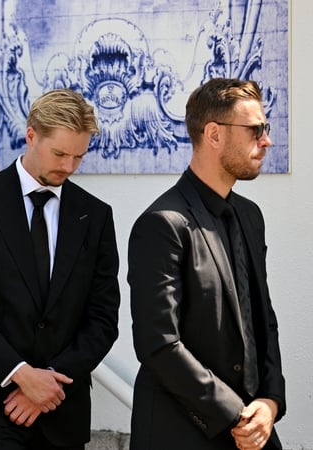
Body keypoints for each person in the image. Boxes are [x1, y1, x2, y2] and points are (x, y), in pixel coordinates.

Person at [0, 89, 121, 449]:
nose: (68, 167)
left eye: (78, 157)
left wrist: (48, 383)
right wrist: (20, 375)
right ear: (31, 135)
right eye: (59, 154)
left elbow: (102, 320)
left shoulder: (96, 215)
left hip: (62, 412)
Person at [128, 78, 286, 450]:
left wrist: (270, 401)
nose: (266, 140)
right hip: (181, 431)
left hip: (253, 426)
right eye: (255, 130)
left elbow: (263, 321)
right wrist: (235, 413)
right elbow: (158, 344)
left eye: (266, 128)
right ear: (213, 134)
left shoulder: (250, 216)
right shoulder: (162, 223)